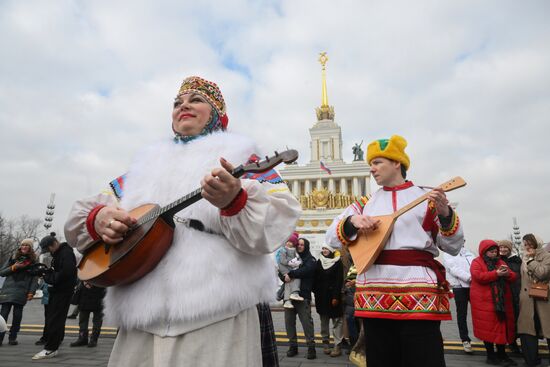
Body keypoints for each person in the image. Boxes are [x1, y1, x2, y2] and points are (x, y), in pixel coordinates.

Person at [64, 75, 301, 367]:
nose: (183, 105)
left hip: (217, 318)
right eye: (177, 102)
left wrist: (234, 201)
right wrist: (99, 219)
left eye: (196, 100)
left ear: (217, 114)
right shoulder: (143, 168)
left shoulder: (241, 158)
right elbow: (80, 219)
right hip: (140, 325)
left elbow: (277, 221)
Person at [326, 135, 464, 367]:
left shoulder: (427, 198)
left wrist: (445, 214)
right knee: (381, 359)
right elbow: (331, 237)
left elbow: (453, 245)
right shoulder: (364, 204)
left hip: (419, 294)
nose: (372, 169)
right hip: (374, 296)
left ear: (397, 163)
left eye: (378, 162)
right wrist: (352, 222)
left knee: (423, 359)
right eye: (371, 164)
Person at [470, 239, 517, 366]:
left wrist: (507, 274)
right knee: (488, 329)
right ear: (484, 251)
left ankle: (502, 355)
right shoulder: (476, 262)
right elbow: (478, 277)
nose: (494, 254)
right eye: (491, 251)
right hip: (484, 302)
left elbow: (513, 276)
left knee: (501, 328)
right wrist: (496, 274)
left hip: (499, 302)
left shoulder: (500, 261)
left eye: (495, 251)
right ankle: (491, 355)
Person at [32, 233, 78, 360]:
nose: (48, 252)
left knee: (55, 320)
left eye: (48, 249)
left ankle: (51, 349)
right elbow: (60, 271)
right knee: (55, 319)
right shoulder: (60, 254)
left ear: (54, 244)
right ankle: (53, 345)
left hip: (62, 292)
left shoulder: (65, 253)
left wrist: (47, 276)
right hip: (59, 291)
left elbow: (66, 274)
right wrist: (46, 271)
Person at [517, 234, 550, 367]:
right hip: (527, 300)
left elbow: (543, 273)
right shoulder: (523, 258)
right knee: (528, 330)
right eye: (525, 244)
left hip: (544, 299)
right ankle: (531, 360)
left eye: (531, 243)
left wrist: (531, 260)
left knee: (548, 328)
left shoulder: (546, 256)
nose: (528, 247)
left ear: (538, 243)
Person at [0, 238, 39, 346]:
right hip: (7, 290)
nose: (24, 247)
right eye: (23, 245)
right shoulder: (13, 258)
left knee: (17, 316)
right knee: (3, 315)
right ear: (20, 247)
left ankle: (13, 337)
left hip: (21, 291)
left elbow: (34, 279)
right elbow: (2, 272)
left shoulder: (33, 262)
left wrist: (31, 292)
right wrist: (14, 267)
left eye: (27, 245)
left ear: (30, 248)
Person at [284, 237, 317, 360]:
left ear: (306, 246)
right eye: (298, 244)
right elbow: (283, 269)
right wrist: (284, 276)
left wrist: (291, 274)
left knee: (307, 323)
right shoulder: (291, 257)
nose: (299, 246)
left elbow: (307, 270)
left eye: (302, 245)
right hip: (288, 296)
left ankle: (311, 347)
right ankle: (293, 346)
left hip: (303, 296)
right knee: (289, 323)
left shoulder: (311, 260)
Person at [313, 244, 344, 357]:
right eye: (323, 249)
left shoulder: (337, 262)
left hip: (333, 297)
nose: (324, 251)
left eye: (326, 249)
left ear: (331, 250)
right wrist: (315, 291)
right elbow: (315, 278)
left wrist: (336, 296)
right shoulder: (319, 261)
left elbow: (339, 280)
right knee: (324, 320)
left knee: (337, 321)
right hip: (321, 297)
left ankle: (337, 345)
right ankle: (326, 343)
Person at [443, 242, 475, 354]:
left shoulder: (469, 254)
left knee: (478, 313)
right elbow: (453, 269)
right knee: (462, 314)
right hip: (459, 287)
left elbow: (475, 266)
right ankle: (465, 339)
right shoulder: (448, 254)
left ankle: (482, 335)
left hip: (473, 286)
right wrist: (469, 278)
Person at [498, 239, 522, 354]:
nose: (502, 249)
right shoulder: (497, 261)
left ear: (509, 248)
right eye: (501, 247)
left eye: (505, 247)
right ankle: (511, 343)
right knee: (507, 320)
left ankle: (518, 341)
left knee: (518, 318)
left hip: (517, 292)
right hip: (504, 294)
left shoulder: (517, 261)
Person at [69, 281, 106, 348]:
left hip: (98, 291)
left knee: (96, 320)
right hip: (88, 292)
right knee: (83, 319)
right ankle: (83, 339)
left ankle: (93, 339)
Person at [278, 232, 304, 309]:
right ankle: (294, 293)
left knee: (288, 283)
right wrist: (291, 262)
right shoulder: (283, 250)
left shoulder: (294, 250)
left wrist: (297, 262)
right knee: (293, 280)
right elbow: (283, 261)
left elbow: (298, 259)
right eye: (288, 241)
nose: (289, 243)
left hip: (291, 269)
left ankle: (287, 300)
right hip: (285, 269)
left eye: (291, 242)